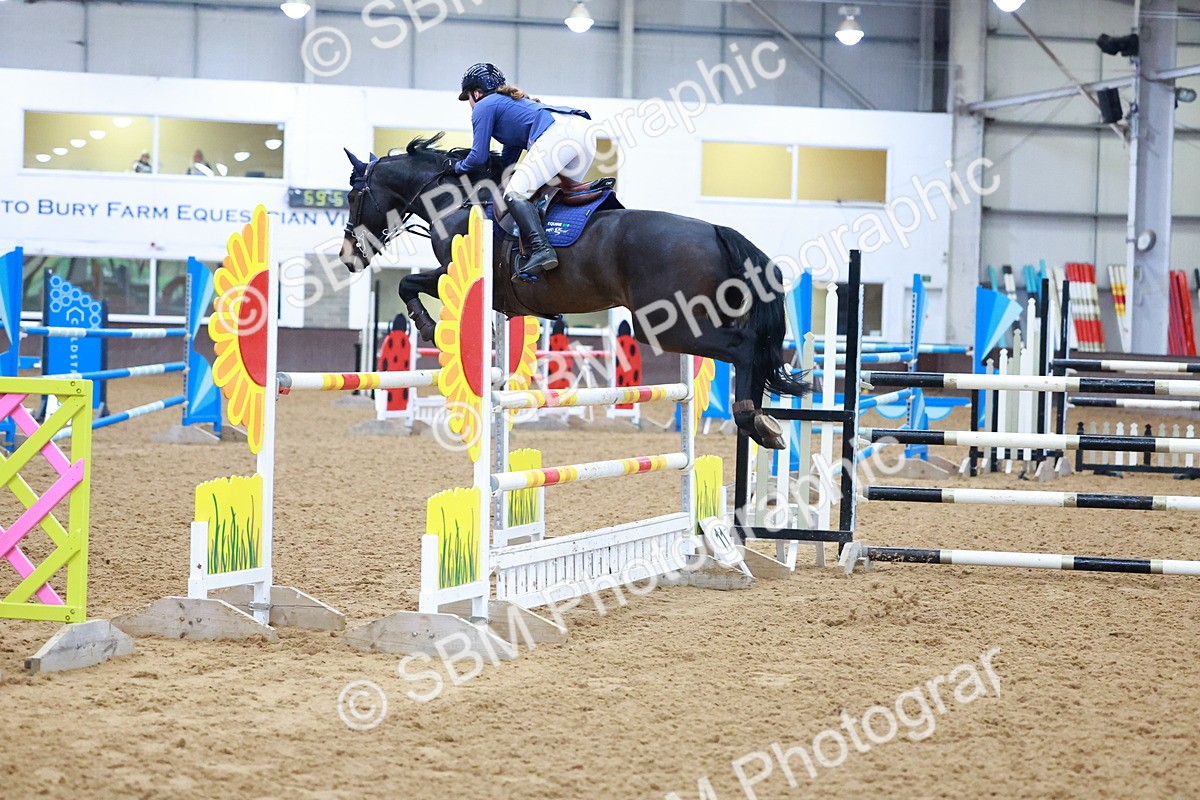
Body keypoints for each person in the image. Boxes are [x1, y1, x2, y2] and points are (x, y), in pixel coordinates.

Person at [451, 63, 597, 282]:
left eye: (468, 98)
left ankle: (541, 249)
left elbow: (478, 156)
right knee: (551, 196)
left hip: (560, 136)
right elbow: (508, 161)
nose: (470, 104)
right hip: (584, 134)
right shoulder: (509, 106)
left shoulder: (483, 106)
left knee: (514, 194)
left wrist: (456, 167)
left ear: (476, 93)